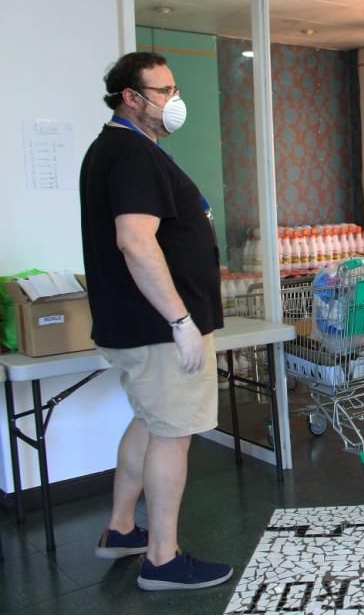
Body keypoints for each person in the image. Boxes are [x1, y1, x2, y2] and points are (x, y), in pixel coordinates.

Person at [80, 52, 232, 590]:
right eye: (162, 92)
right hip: (158, 331)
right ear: (131, 97)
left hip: (136, 328)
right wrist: (181, 320)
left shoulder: (115, 149)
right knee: (173, 434)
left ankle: (122, 530)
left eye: (174, 88)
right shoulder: (131, 154)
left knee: (149, 422)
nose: (173, 101)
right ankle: (162, 560)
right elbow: (136, 242)